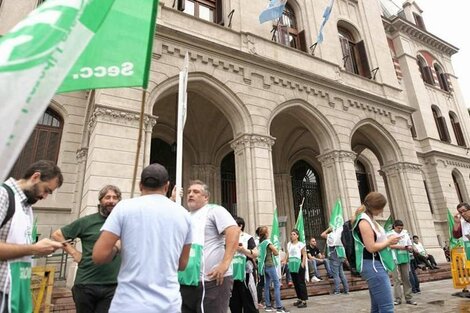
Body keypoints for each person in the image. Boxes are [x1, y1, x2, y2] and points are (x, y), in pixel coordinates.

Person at [92, 163, 192, 313]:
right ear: (167, 186)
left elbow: (99, 256)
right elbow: (182, 264)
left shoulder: (124, 208)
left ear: (140, 186)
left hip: (128, 304)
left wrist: (118, 247)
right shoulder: (184, 215)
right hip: (168, 305)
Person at [0, 160, 64, 313]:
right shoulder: (3, 195)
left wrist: (37, 249)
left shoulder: (26, 208)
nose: (45, 196)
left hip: (14, 291)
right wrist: (34, 248)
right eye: (46, 190)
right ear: (35, 177)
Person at [52, 185, 122, 313]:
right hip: (86, 284)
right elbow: (57, 234)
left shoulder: (123, 222)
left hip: (112, 286)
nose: (111, 200)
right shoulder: (87, 222)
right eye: (107, 197)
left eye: (115, 197)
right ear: (100, 200)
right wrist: (74, 252)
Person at [179, 180, 239, 313]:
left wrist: (224, 264)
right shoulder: (185, 216)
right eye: (189, 192)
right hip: (188, 281)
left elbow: (233, 231)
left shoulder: (215, 210)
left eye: (196, 192)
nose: (190, 194)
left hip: (212, 280)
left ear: (206, 197)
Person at [352, 192, 399, 313]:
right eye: (382, 208)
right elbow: (371, 247)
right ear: (377, 207)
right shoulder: (364, 222)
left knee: (377, 307)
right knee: (387, 308)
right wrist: (388, 242)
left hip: (375, 264)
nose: (382, 211)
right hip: (373, 265)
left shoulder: (370, 220)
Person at [229, 216, 259, 313]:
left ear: (240, 226)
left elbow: (256, 253)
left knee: (248, 301)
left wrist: (243, 250)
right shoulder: (227, 238)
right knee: (234, 303)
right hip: (231, 274)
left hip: (245, 273)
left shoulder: (247, 238)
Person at [256, 226, 289, 313]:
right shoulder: (267, 241)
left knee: (266, 286)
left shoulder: (261, 243)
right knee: (277, 284)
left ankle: (268, 306)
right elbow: (276, 252)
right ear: (266, 233)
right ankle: (279, 307)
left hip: (264, 267)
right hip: (270, 265)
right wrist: (275, 251)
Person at [388, 220, 416, 305]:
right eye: (398, 228)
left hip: (404, 257)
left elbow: (409, 244)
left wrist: (410, 247)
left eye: (401, 228)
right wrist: (402, 247)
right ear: (394, 227)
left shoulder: (405, 234)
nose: (400, 229)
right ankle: (398, 298)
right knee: (396, 279)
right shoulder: (389, 234)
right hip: (394, 259)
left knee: (406, 278)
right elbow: (388, 245)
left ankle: (408, 297)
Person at [321, 226, 349, 295]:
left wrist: (328, 229)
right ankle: (346, 289)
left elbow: (322, 235)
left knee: (335, 275)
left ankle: (337, 290)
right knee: (342, 274)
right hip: (340, 256)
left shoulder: (331, 236)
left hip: (334, 257)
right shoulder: (339, 236)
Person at [287, 229, 308, 308]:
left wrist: (303, 263)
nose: (292, 236)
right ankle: (299, 298)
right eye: (291, 234)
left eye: (294, 234)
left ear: (297, 236)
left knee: (301, 282)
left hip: (298, 264)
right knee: (295, 283)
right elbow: (288, 253)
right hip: (292, 264)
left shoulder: (300, 244)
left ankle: (304, 300)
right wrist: (285, 261)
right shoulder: (289, 244)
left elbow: (304, 254)